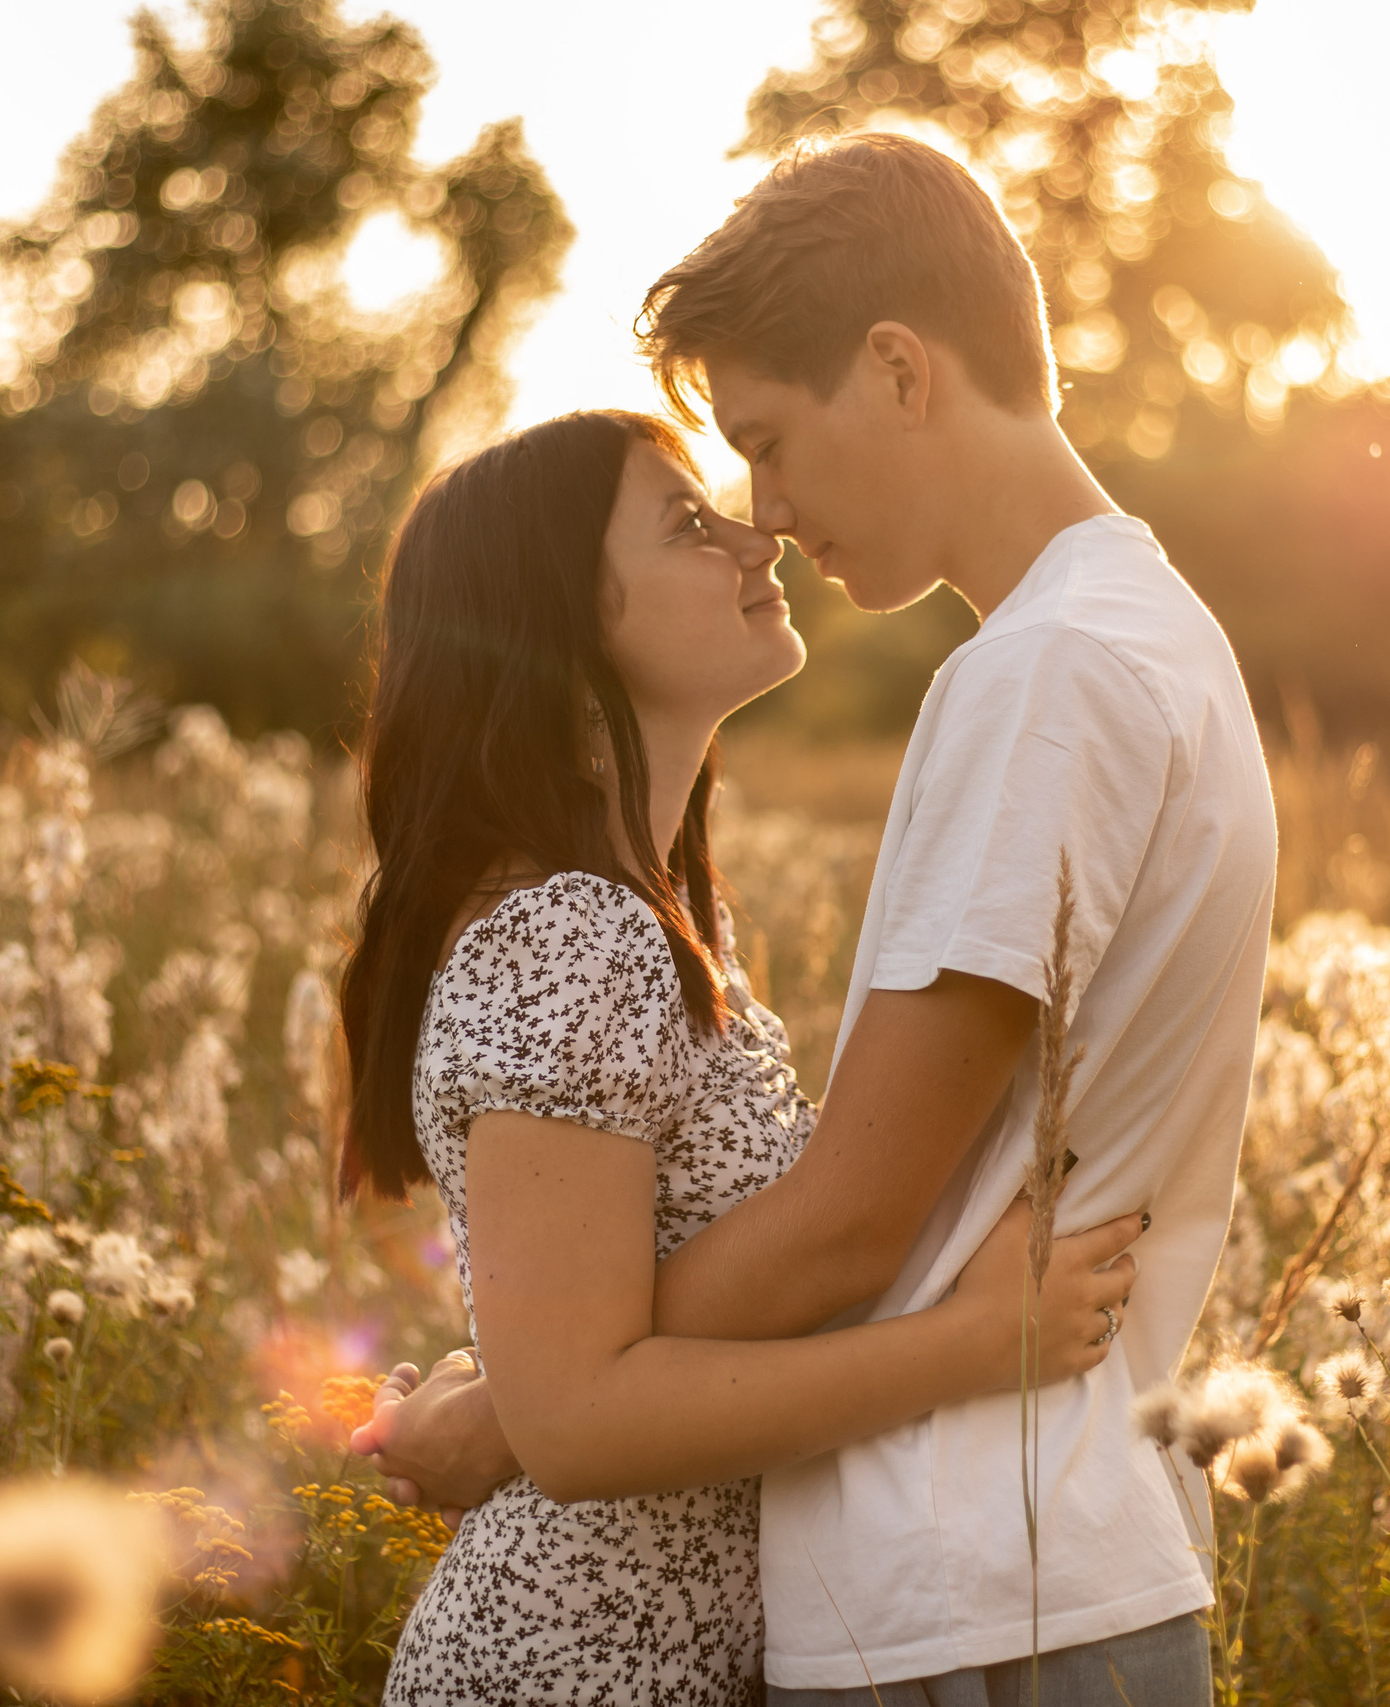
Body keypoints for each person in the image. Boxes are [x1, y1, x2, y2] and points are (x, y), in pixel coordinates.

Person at [359, 135, 1279, 1706]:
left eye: (769, 445)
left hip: (976, 1571)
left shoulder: (1047, 675)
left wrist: (521, 1406)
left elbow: (857, 1215)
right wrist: (551, 1392)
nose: (767, 514)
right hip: (989, 1562)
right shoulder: (1125, 638)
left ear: (901, 370)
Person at [336, 405, 1146, 1704]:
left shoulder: (658, 920)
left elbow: (594, 1336)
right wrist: (977, 1343)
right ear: (562, 623)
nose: (756, 537)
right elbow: (581, 1426)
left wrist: (500, 1399)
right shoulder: (574, 931)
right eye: (686, 526)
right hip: (574, 1669)